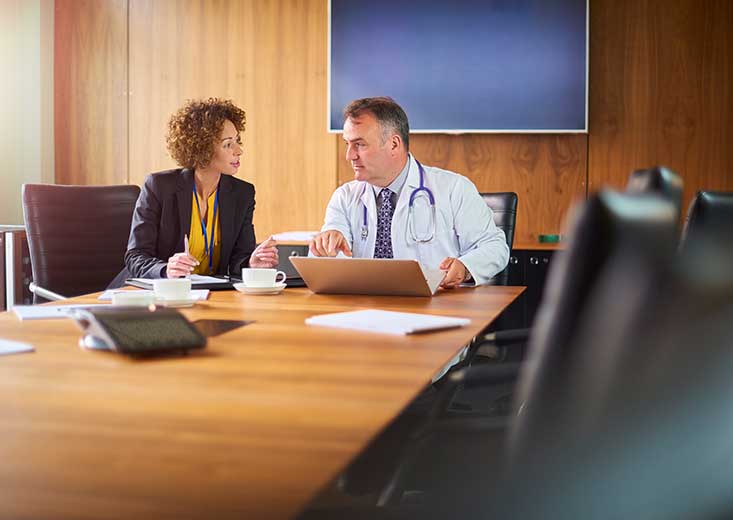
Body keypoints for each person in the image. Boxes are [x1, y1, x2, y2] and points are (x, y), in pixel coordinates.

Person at [310, 97, 508, 287]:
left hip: (435, 309)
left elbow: (495, 247)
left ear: (394, 144)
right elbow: (332, 249)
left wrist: (465, 267)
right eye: (348, 144)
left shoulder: (453, 188)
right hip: (364, 310)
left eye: (359, 144)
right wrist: (327, 243)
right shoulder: (344, 197)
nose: (349, 156)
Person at [110, 98, 277, 287]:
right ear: (203, 148)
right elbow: (135, 257)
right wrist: (166, 269)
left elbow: (239, 259)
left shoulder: (242, 193)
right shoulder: (159, 187)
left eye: (237, 141)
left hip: (205, 295)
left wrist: (251, 263)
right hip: (148, 293)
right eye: (228, 144)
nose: (239, 151)